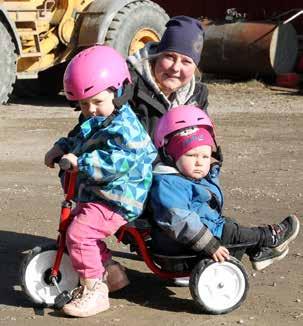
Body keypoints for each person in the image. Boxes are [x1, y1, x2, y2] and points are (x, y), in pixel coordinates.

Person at [44, 45, 157, 317]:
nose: (90, 110)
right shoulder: (100, 118)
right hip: (99, 194)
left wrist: (80, 162)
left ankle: (94, 291)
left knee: (80, 234)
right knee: (76, 228)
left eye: (96, 102)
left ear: (118, 92)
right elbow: (80, 137)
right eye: (84, 104)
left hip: (118, 198)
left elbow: (116, 163)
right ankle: (113, 274)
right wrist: (61, 147)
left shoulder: (126, 128)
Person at [150, 105, 300, 274]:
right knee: (231, 231)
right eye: (191, 155)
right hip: (183, 247)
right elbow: (179, 220)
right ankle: (269, 237)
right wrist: (209, 245)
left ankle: (259, 251)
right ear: (171, 156)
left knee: (230, 225)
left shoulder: (186, 178)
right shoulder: (168, 183)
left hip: (197, 235)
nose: (199, 162)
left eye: (205, 156)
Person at [69, 16, 209, 142]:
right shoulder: (127, 83)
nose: (176, 68)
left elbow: (204, 141)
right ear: (156, 56)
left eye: (186, 62)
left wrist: (212, 163)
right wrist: (67, 146)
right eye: (169, 57)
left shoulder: (197, 95)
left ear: (195, 67)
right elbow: (93, 124)